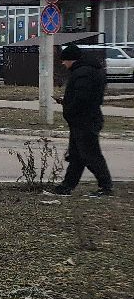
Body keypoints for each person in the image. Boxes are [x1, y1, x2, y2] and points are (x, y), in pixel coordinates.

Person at [47, 42, 113, 197]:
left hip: (85, 120)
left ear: (72, 59)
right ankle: (66, 187)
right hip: (86, 118)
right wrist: (67, 101)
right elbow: (83, 95)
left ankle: (106, 186)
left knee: (90, 155)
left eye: (64, 60)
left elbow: (82, 98)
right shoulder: (90, 70)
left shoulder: (83, 73)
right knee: (77, 156)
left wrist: (69, 106)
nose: (63, 64)